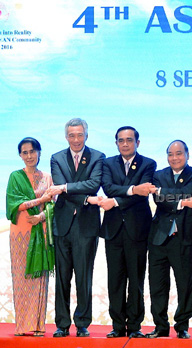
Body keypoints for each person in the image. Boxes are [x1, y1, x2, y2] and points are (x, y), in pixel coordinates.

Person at [48, 118, 105, 337]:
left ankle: (82, 323)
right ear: (66, 137)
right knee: (62, 278)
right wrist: (86, 199)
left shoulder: (98, 157)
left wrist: (65, 188)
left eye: (80, 135)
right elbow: (59, 187)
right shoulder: (57, 158)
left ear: (86, 136)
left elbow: (94, 184)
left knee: (84, 277)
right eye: (71, 135)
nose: (76, 139)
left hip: (86, 226)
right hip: (62, 226)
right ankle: (62, 324)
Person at [100, 126, 157, 338]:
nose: (125, 144)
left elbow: (143, 194)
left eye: (129, 140)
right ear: (116, 143)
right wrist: (133, 189)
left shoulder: (148, 164)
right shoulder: (107, 163)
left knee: (136, 279)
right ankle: (117, 326)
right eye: (121, 140)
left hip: (138, 229)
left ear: (137, 143)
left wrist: (115, 200)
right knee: (115, 279)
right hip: (113, 229)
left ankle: (134, 326)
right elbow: (107, 187)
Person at [146, 140, 192, 339]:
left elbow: (189, 193)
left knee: (184, 283)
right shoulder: (158, 175)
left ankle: (182, 326)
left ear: (187, 154)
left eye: (179, 154)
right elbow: (158, 200)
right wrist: (180, 201)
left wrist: (165, 193)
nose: (174, 158)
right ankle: (160, 326)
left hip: (185, 236)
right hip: (159, 237)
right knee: (157, 283)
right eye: (170, 154)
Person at [6, 137, 54, 337]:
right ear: (20, 155)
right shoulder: (15, 177)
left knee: (39, 278)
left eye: (32, 151)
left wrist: (41, 215)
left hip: (41, 231)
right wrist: (40, 200)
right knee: (21, 277)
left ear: (39, 152)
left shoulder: (47, 177)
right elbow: (13, 204)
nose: (29, 156)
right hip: (20, 234)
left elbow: (53, 204)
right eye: (24, 152)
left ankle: (37, 325)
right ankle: (21, 326)